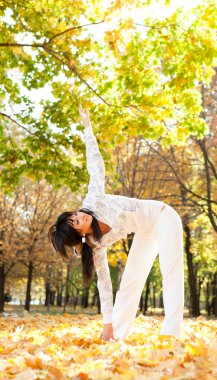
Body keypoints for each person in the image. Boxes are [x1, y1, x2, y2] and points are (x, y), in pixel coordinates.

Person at [48, 108, 184, 342]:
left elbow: (95, 168)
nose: (80, 216)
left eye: (75, 214)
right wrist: (107, 323)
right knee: (129, 283)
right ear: (80, 234)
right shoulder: (95, 246)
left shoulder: (93, 201)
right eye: (76, 222)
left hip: (163, 215)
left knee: (169, 270)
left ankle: (171, 335)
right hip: (145, 231)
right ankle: (115, 336)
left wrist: (88, 130)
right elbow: (104, 285)